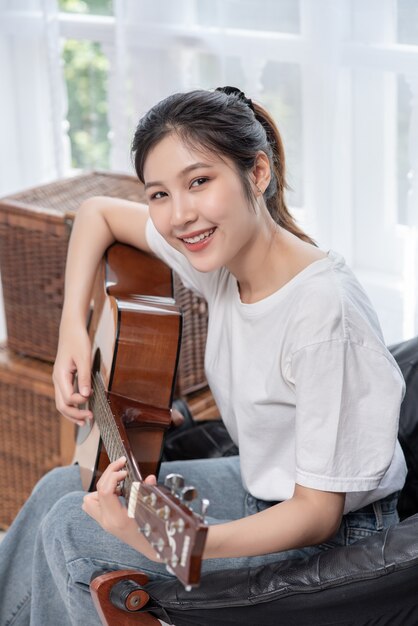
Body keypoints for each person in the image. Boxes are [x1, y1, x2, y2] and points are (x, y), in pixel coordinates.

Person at [0, 86, 407, 626]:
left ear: (257, 174)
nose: (179, 215)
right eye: (159, 194)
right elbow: (96, 214)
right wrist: (71, 331)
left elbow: (317, 515)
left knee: (74, 531)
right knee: (61, 486)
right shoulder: (222, 258)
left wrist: (169, 540)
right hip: (261, 486)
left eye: (199, 182)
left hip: (332, 543)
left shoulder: (323, 315)